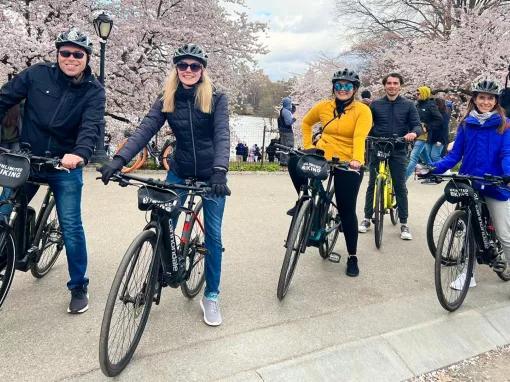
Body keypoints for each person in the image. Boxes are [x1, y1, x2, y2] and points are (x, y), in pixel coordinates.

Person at [99, 43, 230, 327]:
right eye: (183, 65)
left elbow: (222, 136)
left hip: (212, 176)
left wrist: (220, 171)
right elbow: (145, 129)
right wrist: (119, 160)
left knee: (214, 238)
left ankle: (211, 295)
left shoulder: (217, 98)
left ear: (202, 70)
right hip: (180, 170)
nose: (188, 70)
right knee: (164, 219)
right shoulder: (167, 97)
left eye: (194, 66)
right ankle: (162, 269)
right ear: (176, 69)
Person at [0, 27, 105, 314]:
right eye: (65, 52)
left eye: (78, 54)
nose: (71, 58)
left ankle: (78, 285)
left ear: (87, 58)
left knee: (71, 226)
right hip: (27, 156)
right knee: (2, 206)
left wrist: (79, 154)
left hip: (63, 163)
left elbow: (91, 127)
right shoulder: (36, 74)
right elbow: (4, 99)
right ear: (57, 54)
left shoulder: (93, 91)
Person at [422, 79, 510, 289]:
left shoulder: (504, 125)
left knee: (504, 234)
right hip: (469, 182)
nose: (486, 102)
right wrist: (433, 168)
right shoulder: (466, 124)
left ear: (496, 101)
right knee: (468, 232)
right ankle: (468, 275)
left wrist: (508, 174)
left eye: (490, 98)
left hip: (494, 184)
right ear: (475, 99)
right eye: (482, 97)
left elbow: (507, 153)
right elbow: (455, 155)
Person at [287, 68, 372, 277]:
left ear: (355, 89)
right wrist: (308, 147)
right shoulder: (324, 106)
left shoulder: (362, 110)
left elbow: (360, 137)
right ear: (333, 87)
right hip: (322, 155)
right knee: (294, 161)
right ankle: (305, 199)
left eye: (347, 86)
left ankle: (352, 256)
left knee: (346, 209)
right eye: (339, 86)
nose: (342, 90)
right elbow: (306, 123)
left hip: (348, 161)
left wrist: (357, 160)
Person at [358, 73, 421, 240]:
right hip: (378, 146)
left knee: (399, 185)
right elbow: (367, 124)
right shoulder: (376, 105)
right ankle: (366, 218)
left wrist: (413, 133)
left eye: (395, 83)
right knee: (372, 183)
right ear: (384, 86)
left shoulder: (408, 105)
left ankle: (404, 223)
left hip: (398, 147)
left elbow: (416, 124)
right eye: (389, 83)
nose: (392, 86)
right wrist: (364, 134)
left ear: (400, 86)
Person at [415, 86, 444, 163]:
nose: (416, 95)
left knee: (434, 156)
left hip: (435, 134)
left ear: (424, 94)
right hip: (423, 135)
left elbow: (439, 119)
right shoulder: (417, 105)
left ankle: (444, 169)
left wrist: (427, 126)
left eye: (419, 94)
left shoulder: (430, 105)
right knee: (426, 156)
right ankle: (431, 172)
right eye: (416, 94)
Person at [277, 96, 295, 166]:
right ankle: (287, 162)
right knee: (289, 146)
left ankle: (283, 161)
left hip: (282, 131)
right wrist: (293, 120)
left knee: (283, 147)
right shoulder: (287, 112)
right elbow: (288, 122)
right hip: (288, 132)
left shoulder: (282, 110)